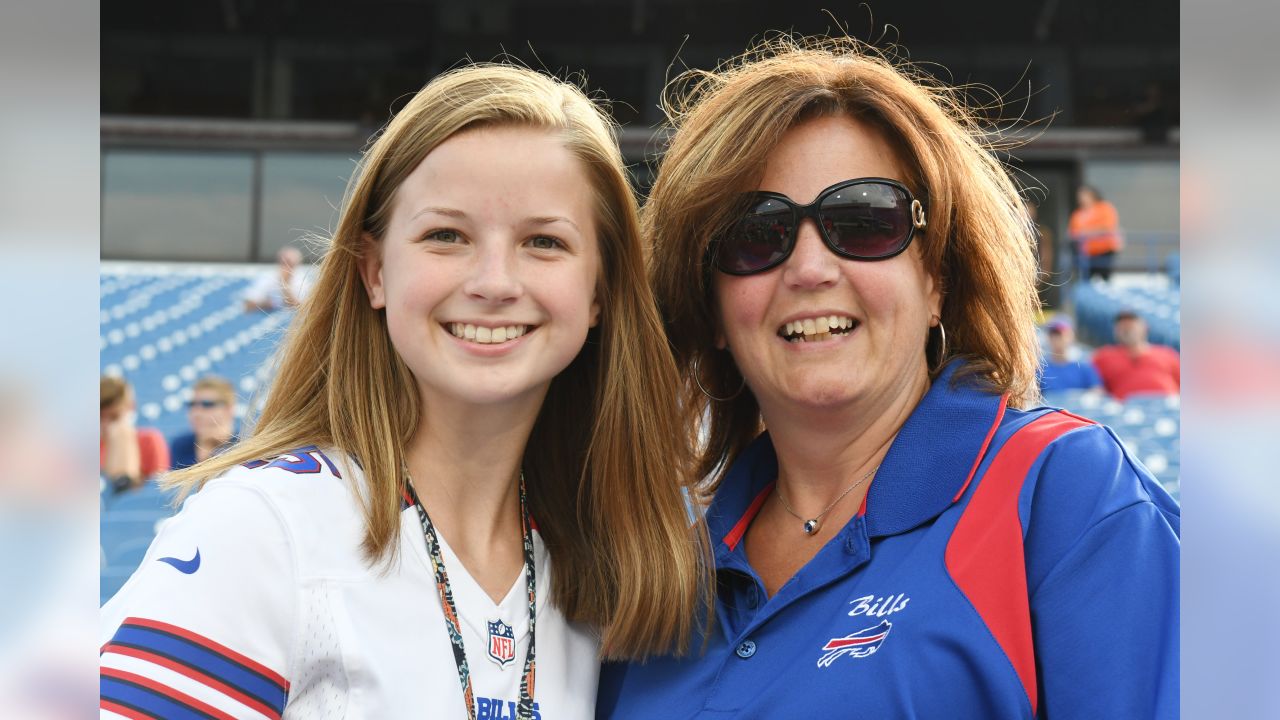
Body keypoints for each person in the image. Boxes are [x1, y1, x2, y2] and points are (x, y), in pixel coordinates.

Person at [101, 64, 710, 719]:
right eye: (446, 235)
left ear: (599, 290)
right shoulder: (267, 528)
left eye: (544, 241)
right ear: (374, 272)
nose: (494, 281)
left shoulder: (607, 567)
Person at [598, 37, 1178, 719]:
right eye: (755, 234)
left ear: (937, 278)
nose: (809, 269)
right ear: (713, 308)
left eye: (865, 222)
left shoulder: (1064, 494)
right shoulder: (656, 570)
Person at [99, 375, 169, 492]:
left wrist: (122, 437)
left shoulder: (149, 440)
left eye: (113, 417)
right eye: (101, 416)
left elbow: (156, 492)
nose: (106, 424)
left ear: (131, 407)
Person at [1092, 309, 1181, 400]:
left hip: (1167, 407)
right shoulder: (1103, 357)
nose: (1126, 329)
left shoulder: (1167, 354)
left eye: (1131, 325)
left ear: (1144, 327)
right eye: (1121, 326)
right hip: (1127, 410)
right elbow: (1095, 389)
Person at [168, 375, 239, 470]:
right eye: (192, 404)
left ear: (229, 409)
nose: (196, 412)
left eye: (207, 404)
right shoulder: (181, 446)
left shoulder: (244, 445)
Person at [1067, 185, 1123, 282]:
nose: (1081, 198)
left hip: (1105, 251)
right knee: (1086, 281)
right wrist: (1092, 233)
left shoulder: (1104, 208)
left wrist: (1087, 233)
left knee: (1106, 280)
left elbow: (1108, 228)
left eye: (1083, 195)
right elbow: (1072, 233)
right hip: (1086, 253)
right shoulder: (1077, 214)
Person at [1038, 317, 1103, 394]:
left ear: (1071, 336)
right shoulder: (1041, 367)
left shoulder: (1083, 364)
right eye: (1052, 334)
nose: (1056, 338)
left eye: (1060, 334)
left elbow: (1097, 390)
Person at [242, 246, 309, 312]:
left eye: (290, 264)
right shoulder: (269, 277)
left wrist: (284, 284)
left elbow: (300, 307)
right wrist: (266, 304)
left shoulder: (302, 279)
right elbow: (248, 305)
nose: (287, 267)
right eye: (284, 262)